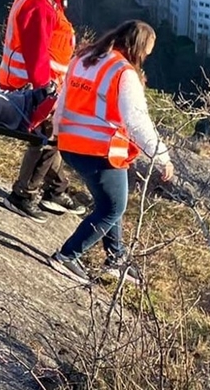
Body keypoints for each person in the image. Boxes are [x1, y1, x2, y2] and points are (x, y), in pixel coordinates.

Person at [46, 20, 175, 284]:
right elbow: (136, 121)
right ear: (138, 48)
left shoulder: (83, 58)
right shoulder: (123, 73)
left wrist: (57, 130)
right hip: (99, 149)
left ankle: (116, 258)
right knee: (113, 207)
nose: (146, 58)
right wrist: (162, 157)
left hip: (70, 144)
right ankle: (67, 255)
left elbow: (64, 97)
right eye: (147, 52)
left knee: (109, 203)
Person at [1, 0, 86, 221]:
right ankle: (24, 193)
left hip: (36, 83)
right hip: (30, 85)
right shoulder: (40, 2)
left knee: (55, 135)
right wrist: (45, 90)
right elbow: (37, 52)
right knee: (48, 136)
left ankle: (56, 189)